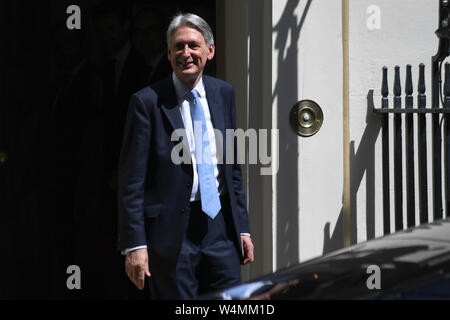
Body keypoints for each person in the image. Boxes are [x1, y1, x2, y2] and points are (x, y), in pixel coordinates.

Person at [117, 12, 254, 299]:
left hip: (220, 229)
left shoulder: (224, 93)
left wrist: (242, 229)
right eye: (178, 47)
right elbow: (132, 181)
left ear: (210, 50)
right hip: (171, 233)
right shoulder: (147, 102)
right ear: (168, 54)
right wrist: (135, 244)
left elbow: (232, 169)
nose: (186, 53)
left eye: (193, 45)